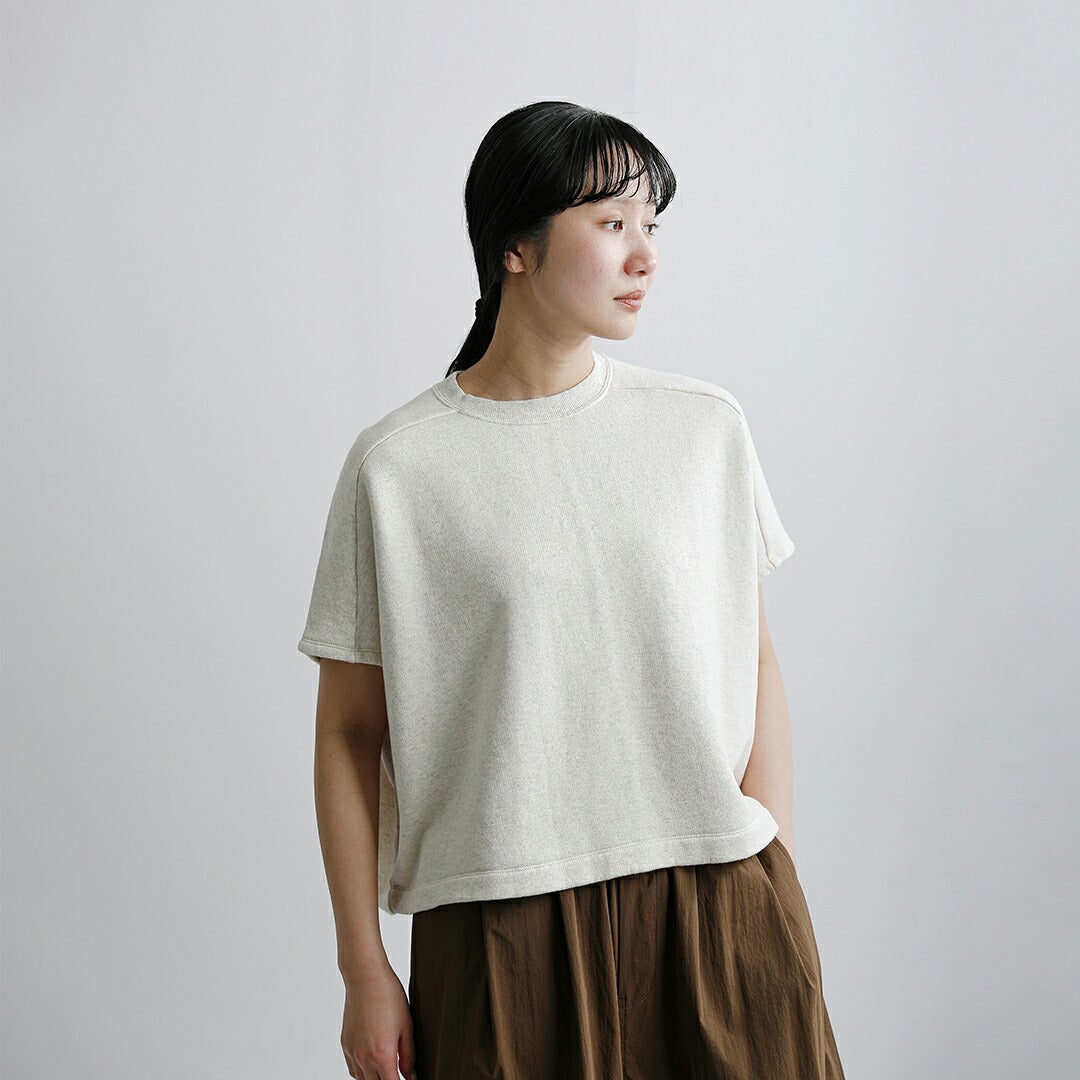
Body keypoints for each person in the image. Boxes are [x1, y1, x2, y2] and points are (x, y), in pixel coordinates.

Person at [298, 100, 845, 1080]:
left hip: (717, 903)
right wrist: (362, 969)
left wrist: (776, 880)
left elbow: (754, 659)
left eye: (651, 225)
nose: (645, 255)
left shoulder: (702, 429)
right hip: (500, 928)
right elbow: (348, 733)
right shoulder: (400, 468)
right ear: (515, 247)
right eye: (612, 223)